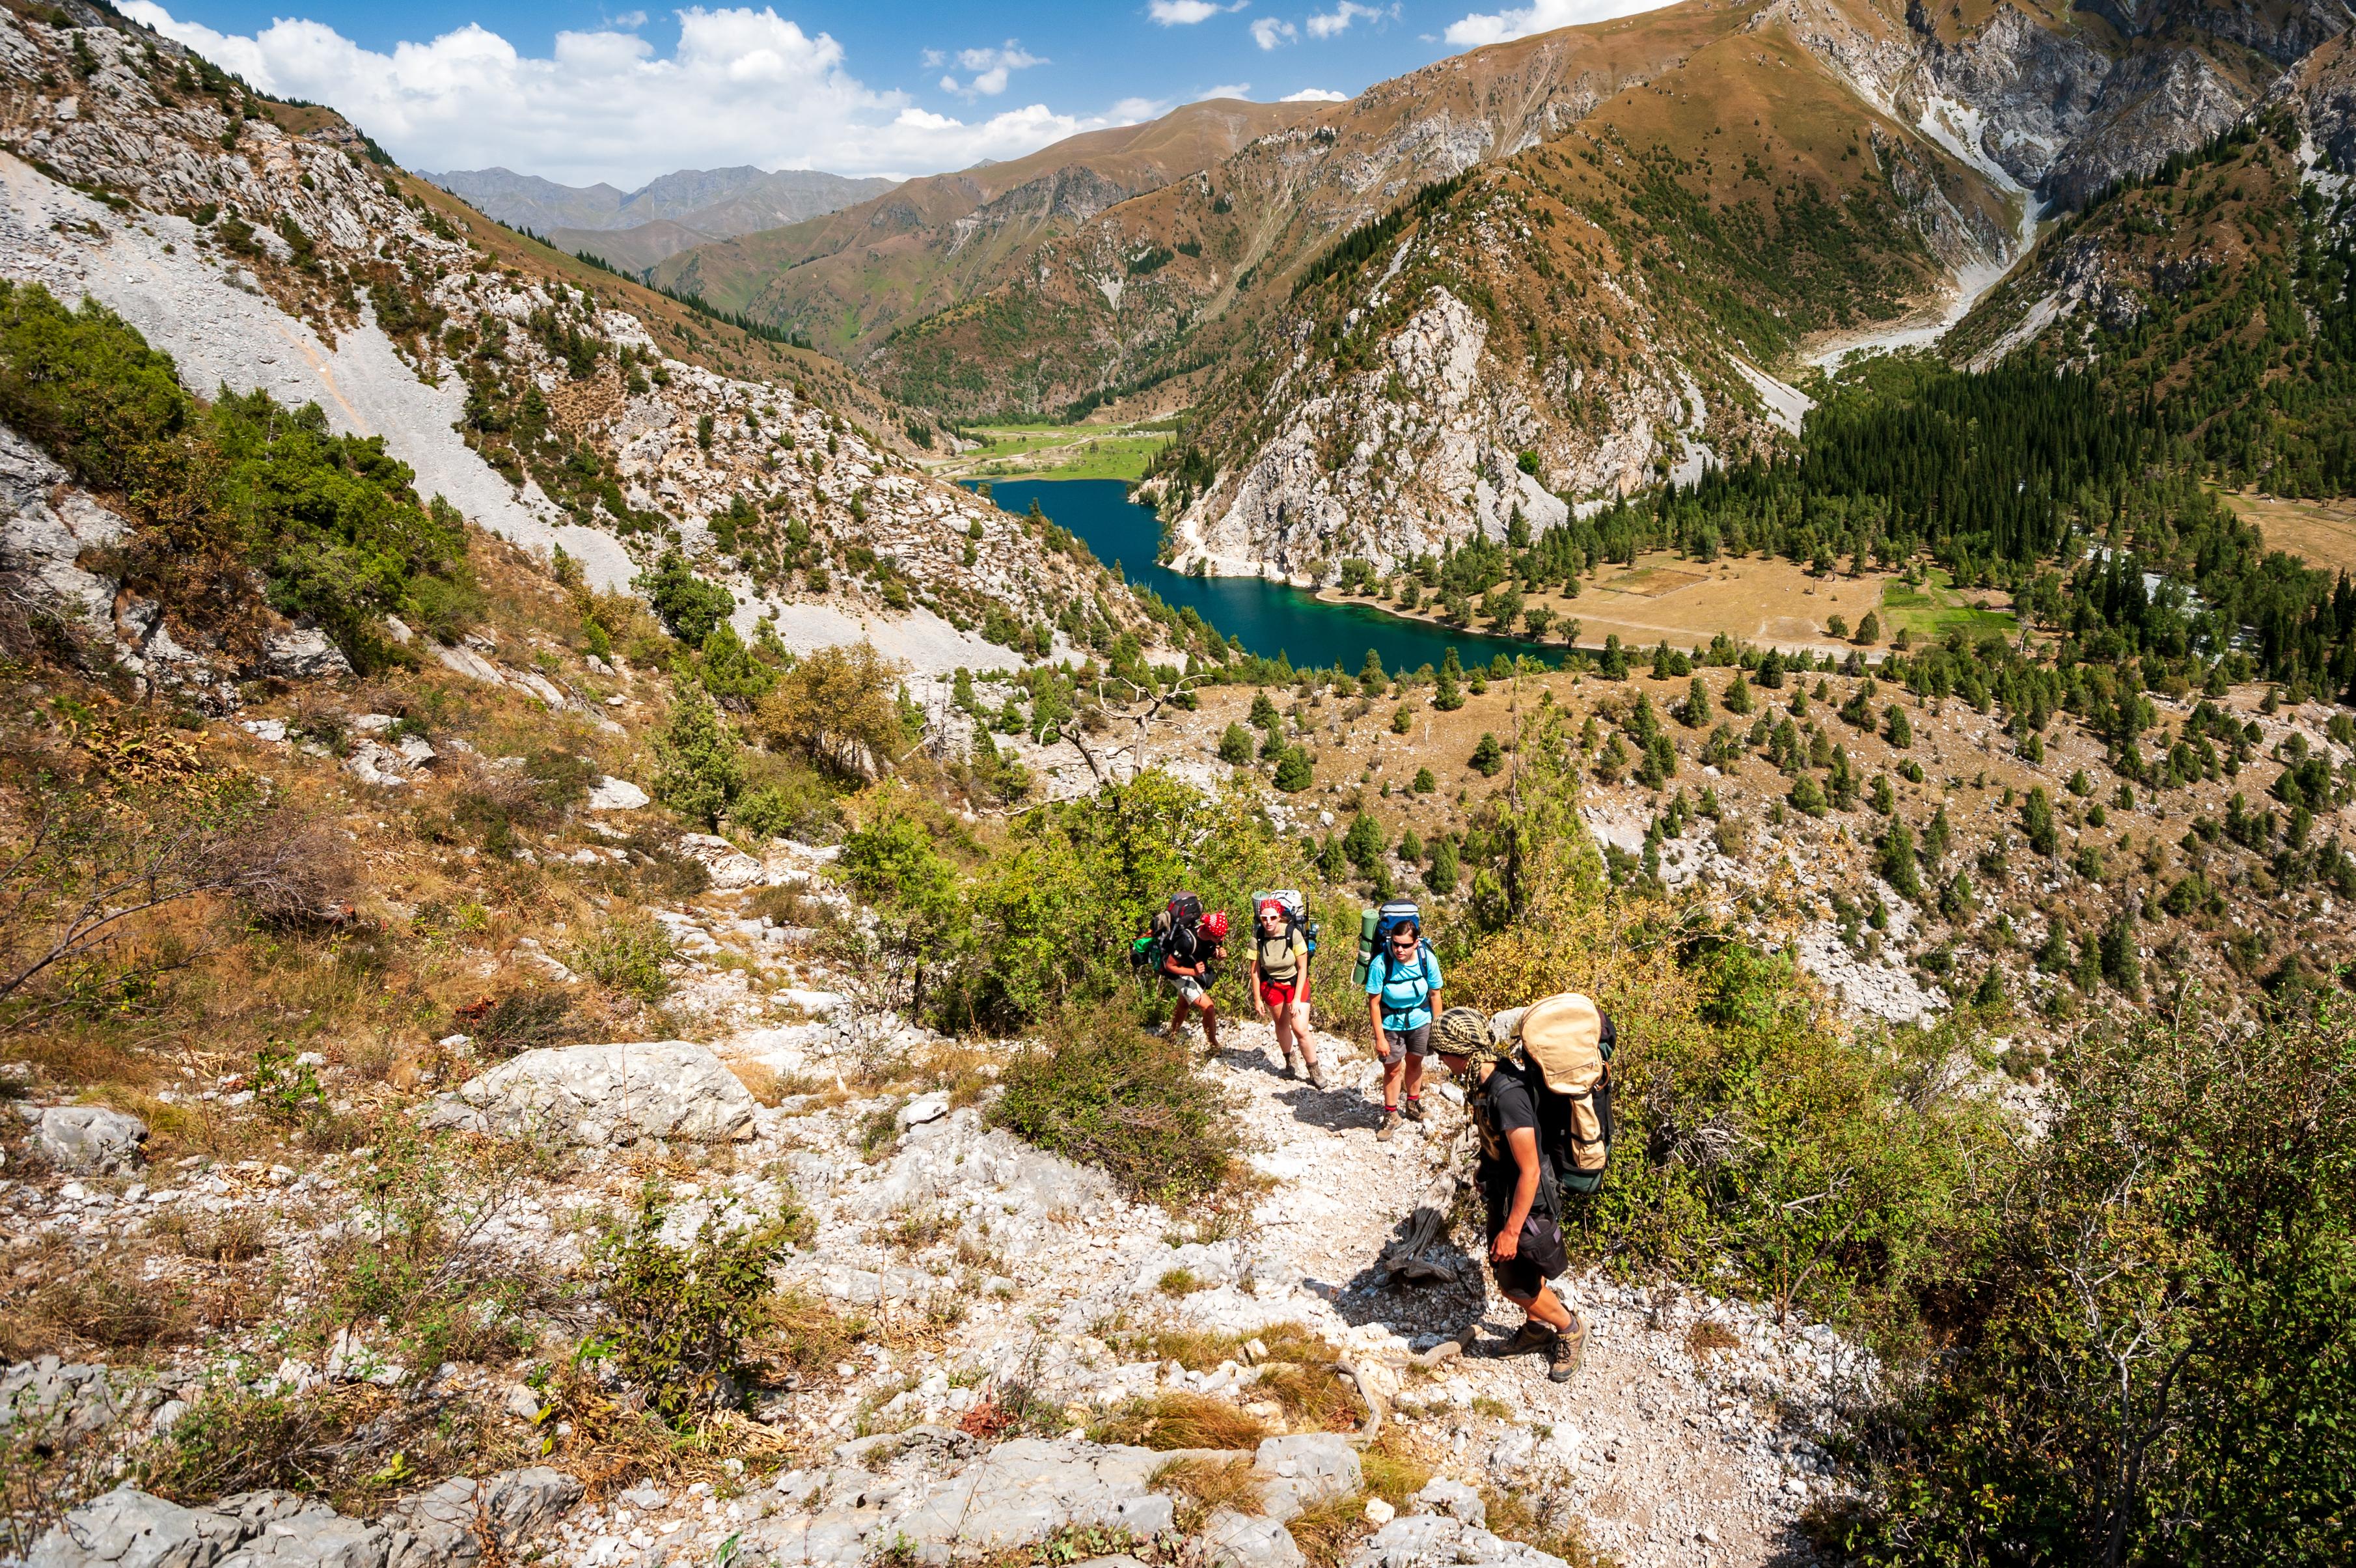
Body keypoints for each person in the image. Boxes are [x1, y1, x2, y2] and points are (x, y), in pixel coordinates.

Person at [1432, 1006, 1583, 1382]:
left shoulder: (1506, 1094)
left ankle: (1569, 1329)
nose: (1440, 1060)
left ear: (1462, 1052)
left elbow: (1530, 1169)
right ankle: (1535, 1330)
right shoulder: (1482, 1080)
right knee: (1524, 1271)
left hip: (1528, 1198)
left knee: (1512, 1283)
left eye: (1443, 1053)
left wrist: (1512, 1231)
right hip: (1505, 1190)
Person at [1363, 915, 1441, 1140]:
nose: (1399, 950)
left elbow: (1435, 995)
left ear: (1416, 943)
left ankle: (1413, 1103)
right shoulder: (1381, 964)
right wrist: (1380, 1037)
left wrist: (1438, 1028)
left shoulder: (1427, 959)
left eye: (1405, 945)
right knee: (1392, 1068)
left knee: (1416, 1062)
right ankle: (1391, 1114)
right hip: (1391, 1024)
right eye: (1395, 944)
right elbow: (1374, 1003)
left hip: (1421, 1020)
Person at [1250, 898, 1327, 1088]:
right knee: (1281, 1024)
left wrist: (1295, 998)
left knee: (1300, 1029)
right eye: (1264, 918)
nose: (1268, 922)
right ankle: (1290, 1063)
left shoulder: (1293, 934)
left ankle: (1314, 1069)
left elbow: (1303, 968)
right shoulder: (1257, 938)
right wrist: (1257, 999)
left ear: (1280, 917)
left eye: (1273, 917)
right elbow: (1255, 971)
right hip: (1272, 985)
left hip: (1295, 983)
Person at [1162, 907, 1227, 1053]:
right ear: (1209, 932)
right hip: (1179, 974)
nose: (1222, 939)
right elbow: (1169, 966)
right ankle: (1214, 1045)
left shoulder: (1210, 938)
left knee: (1183, 1005)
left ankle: (1171, 1037)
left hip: (1192, 973)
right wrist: (1193, 972)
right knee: (1209, 1008)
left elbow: (1207, 950)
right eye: (1219, 937)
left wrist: (1218, 955)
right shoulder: (1186, 941)